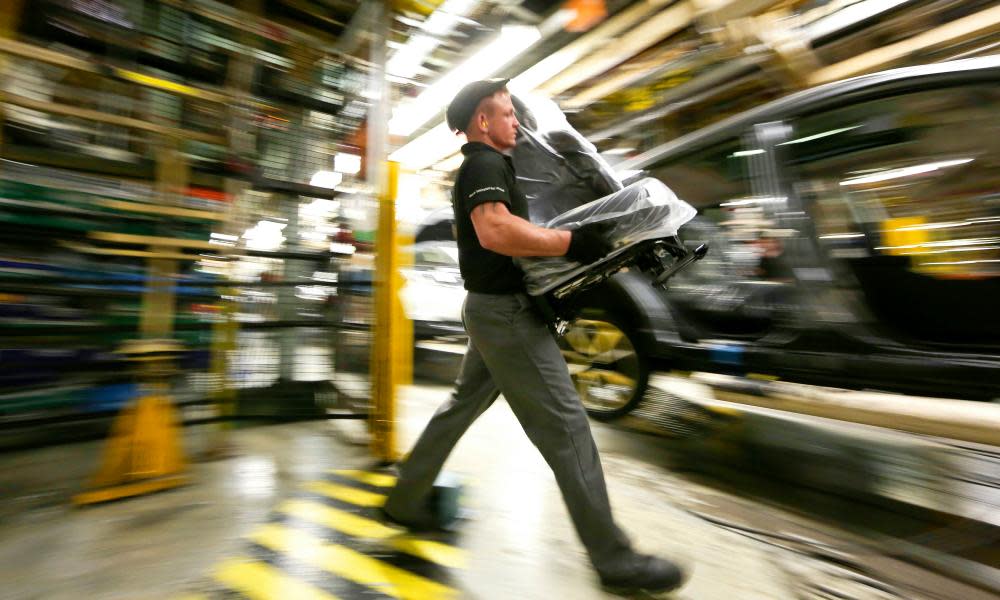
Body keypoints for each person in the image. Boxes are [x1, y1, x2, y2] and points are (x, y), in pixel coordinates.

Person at [381, 79, 686, 596]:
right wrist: (572, 242)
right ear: (482, 121)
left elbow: (489, 237)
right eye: (505, 114)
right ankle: (615, 561)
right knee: (569, 433)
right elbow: (493, 231)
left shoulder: (491, 167)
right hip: (506, 318)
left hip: (490, 312)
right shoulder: (485, 164)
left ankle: (404, 502)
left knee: (460, 405)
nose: (515, 122)